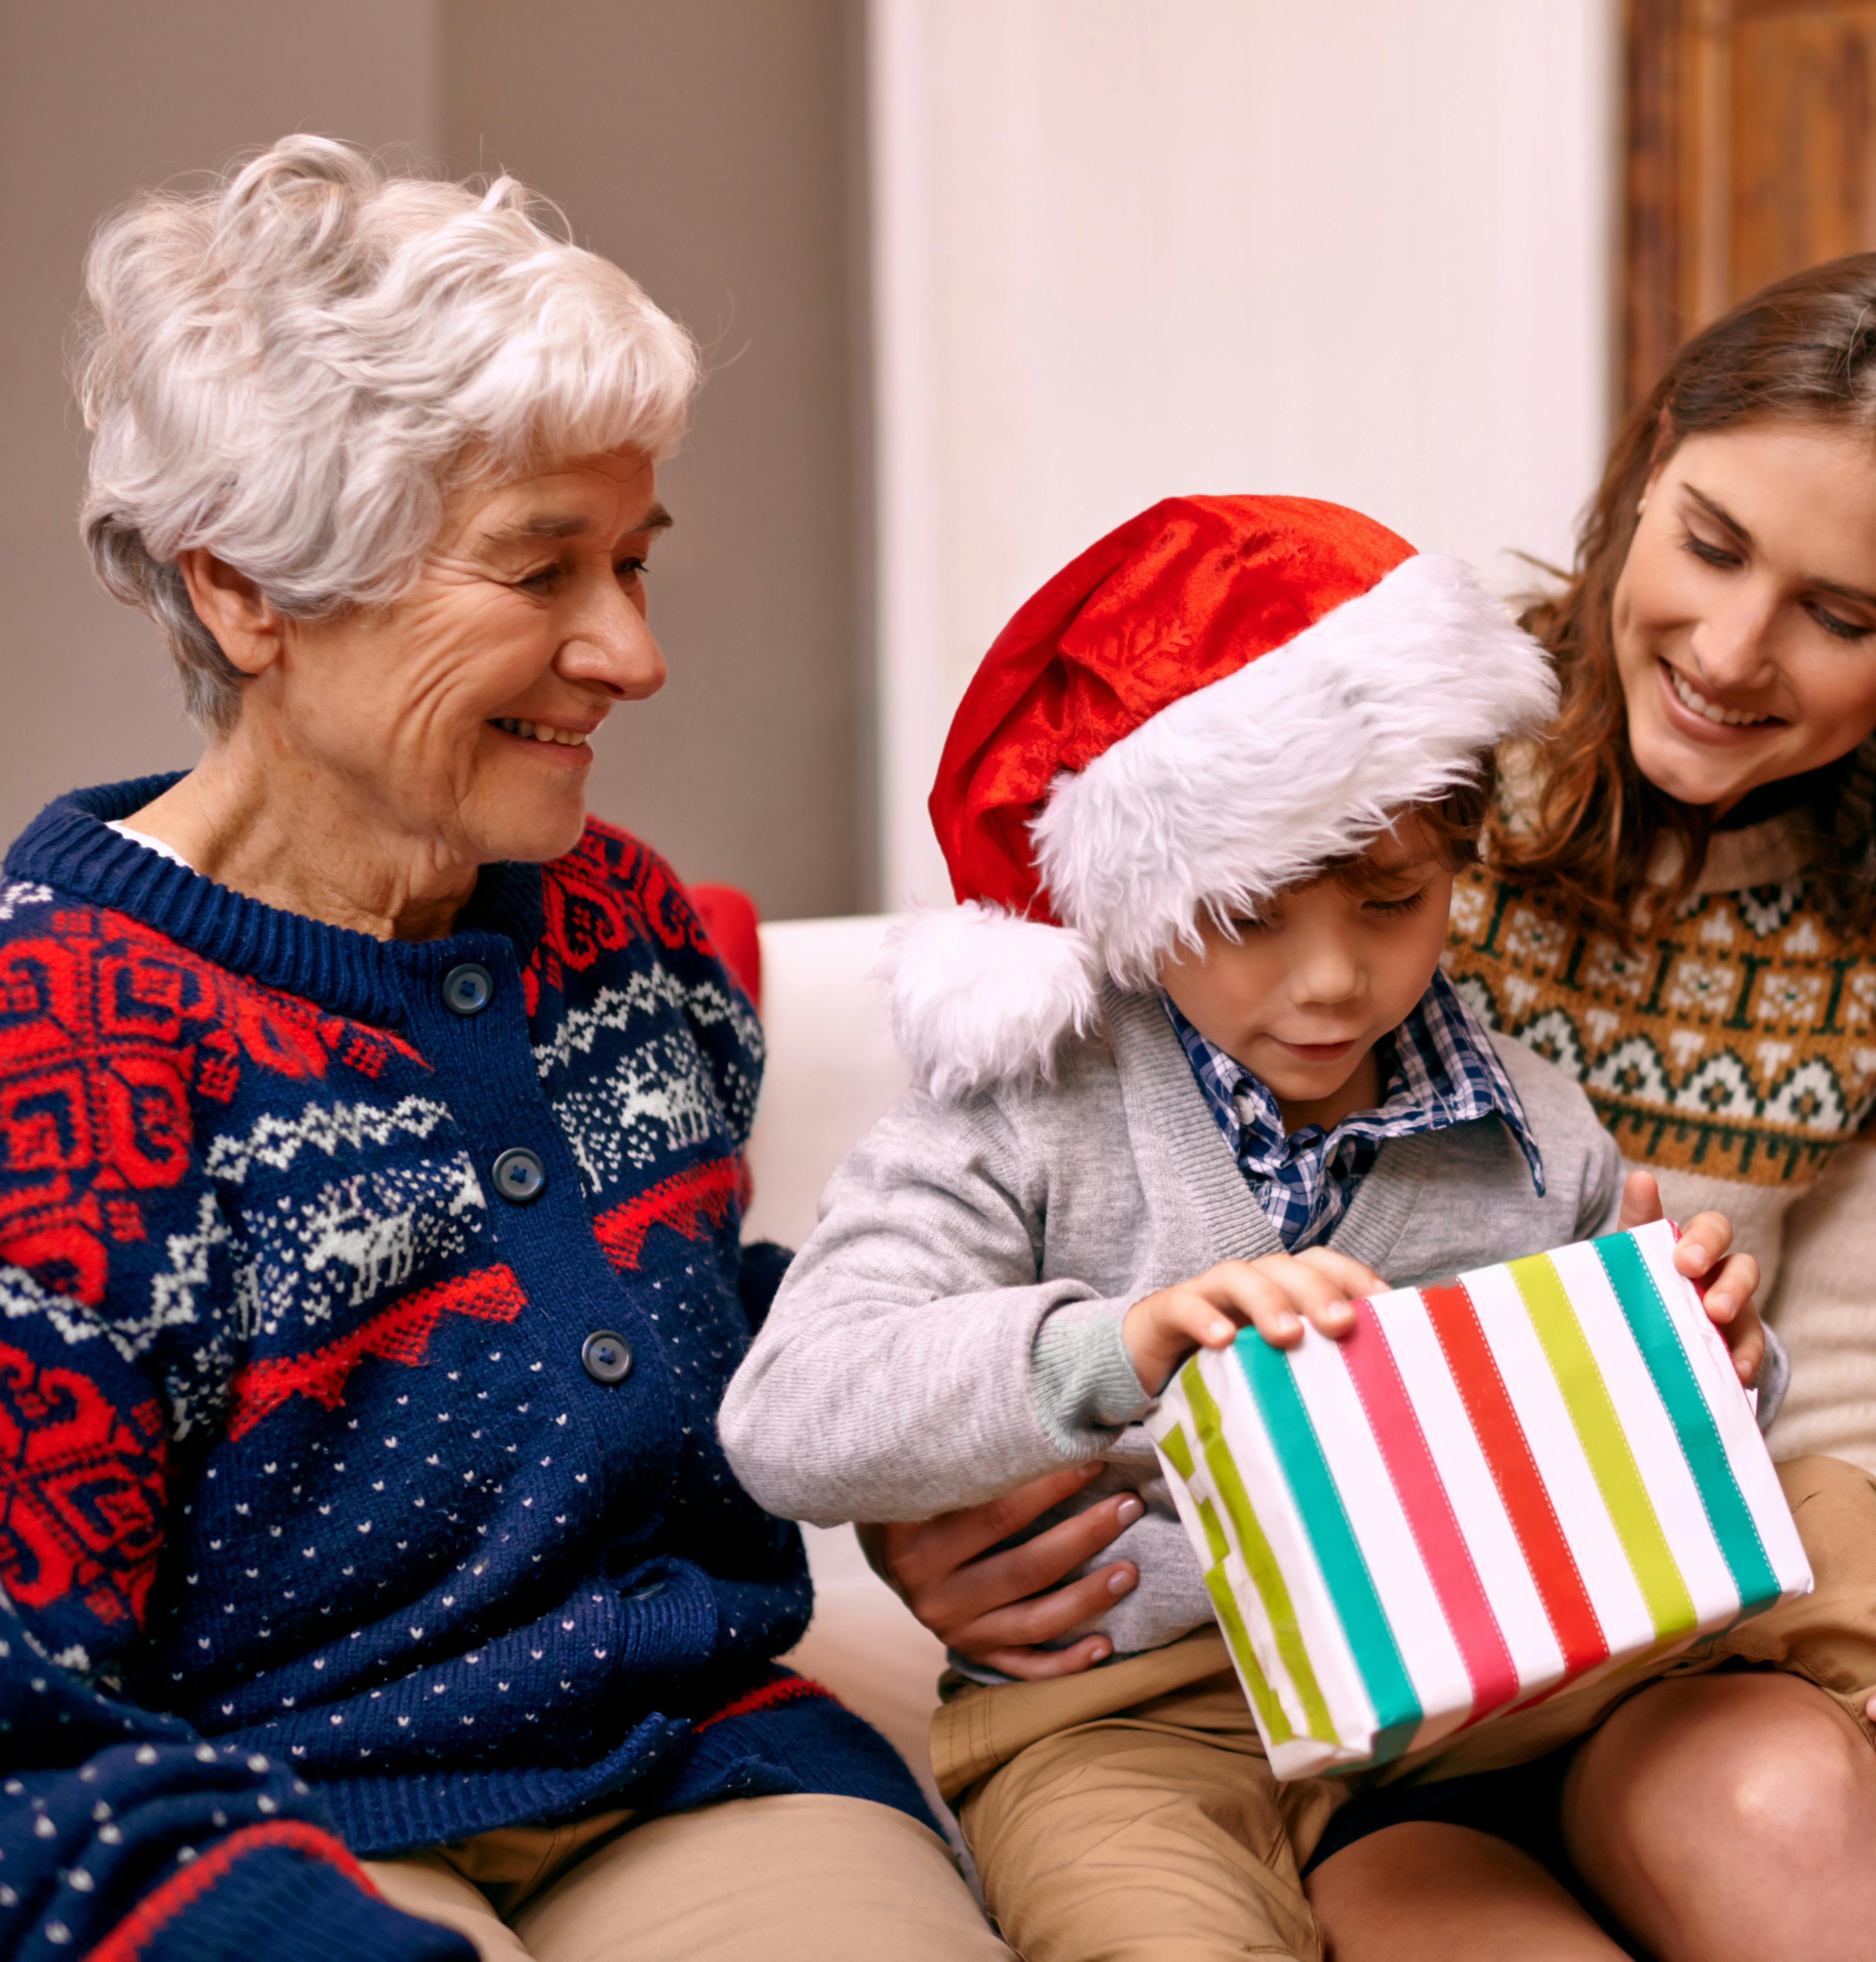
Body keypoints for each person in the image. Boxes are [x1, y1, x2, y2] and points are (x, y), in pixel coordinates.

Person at [866, 250, 1876, 1939]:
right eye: (1709, 543)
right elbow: (1041, 1175)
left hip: (1642, 1632)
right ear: (1647, 465)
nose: (1735, 649)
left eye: (1842, 617)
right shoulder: (1382, 762)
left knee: (1814, 1846)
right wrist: (934, 1516)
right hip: (1315, 1672)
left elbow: (1835, 1403)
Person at [0, 139, 999, 1959]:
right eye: (544, 570)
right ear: (248, 595)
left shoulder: (616, 923)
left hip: (685, 1761)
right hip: (255, 1816)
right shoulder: (57, 1035)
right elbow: (18, 1728)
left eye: (633, 559)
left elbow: (666, 1312)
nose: (632, 650)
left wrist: (900, 1442)